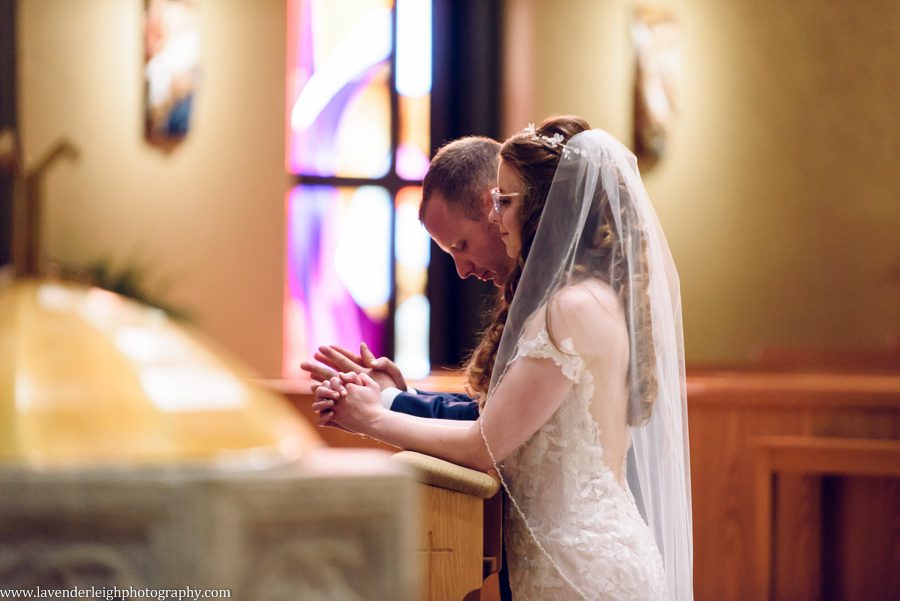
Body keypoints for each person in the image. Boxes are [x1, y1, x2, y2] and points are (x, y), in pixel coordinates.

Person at [315, 116, 693, 600]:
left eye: (504, 201)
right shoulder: (590, 298)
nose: (496, 214)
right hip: (575, 555)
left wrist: (372, 417)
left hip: (578, 569)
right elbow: (514, 420)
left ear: (543, 210)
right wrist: (396, 397)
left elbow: (485, 444)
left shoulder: (569, 308)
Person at [301, 135, 513, 420]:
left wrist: (382, 408)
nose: (462, 271)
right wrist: (398, 394)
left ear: (495, 207)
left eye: (461, 246)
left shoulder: (555, 302)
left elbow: (490, 430)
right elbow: (490, 410)